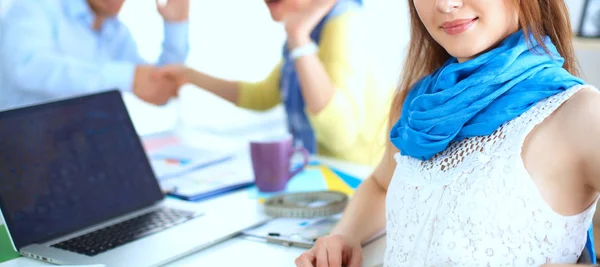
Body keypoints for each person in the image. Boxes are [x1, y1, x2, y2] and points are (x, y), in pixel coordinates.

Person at [294, 0, 600, 266]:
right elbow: (381, 185)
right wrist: (344, 236)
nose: (445, 4)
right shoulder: (416, 106)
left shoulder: (579, 113)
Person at [155, 0, 392, 166]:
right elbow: (264, 95)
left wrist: (298, 38)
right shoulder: (314, 29)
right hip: (324, 175)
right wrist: (189, 76)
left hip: (355, 182)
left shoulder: (345, 22)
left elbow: (340, 134)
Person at [0, 0, 190, 110]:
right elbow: (27, 67)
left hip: (77, 149)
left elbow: (158, 90)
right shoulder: (35, 7)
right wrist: (126, 76)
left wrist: (176, 25)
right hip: (20, 148)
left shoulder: (116, 32)